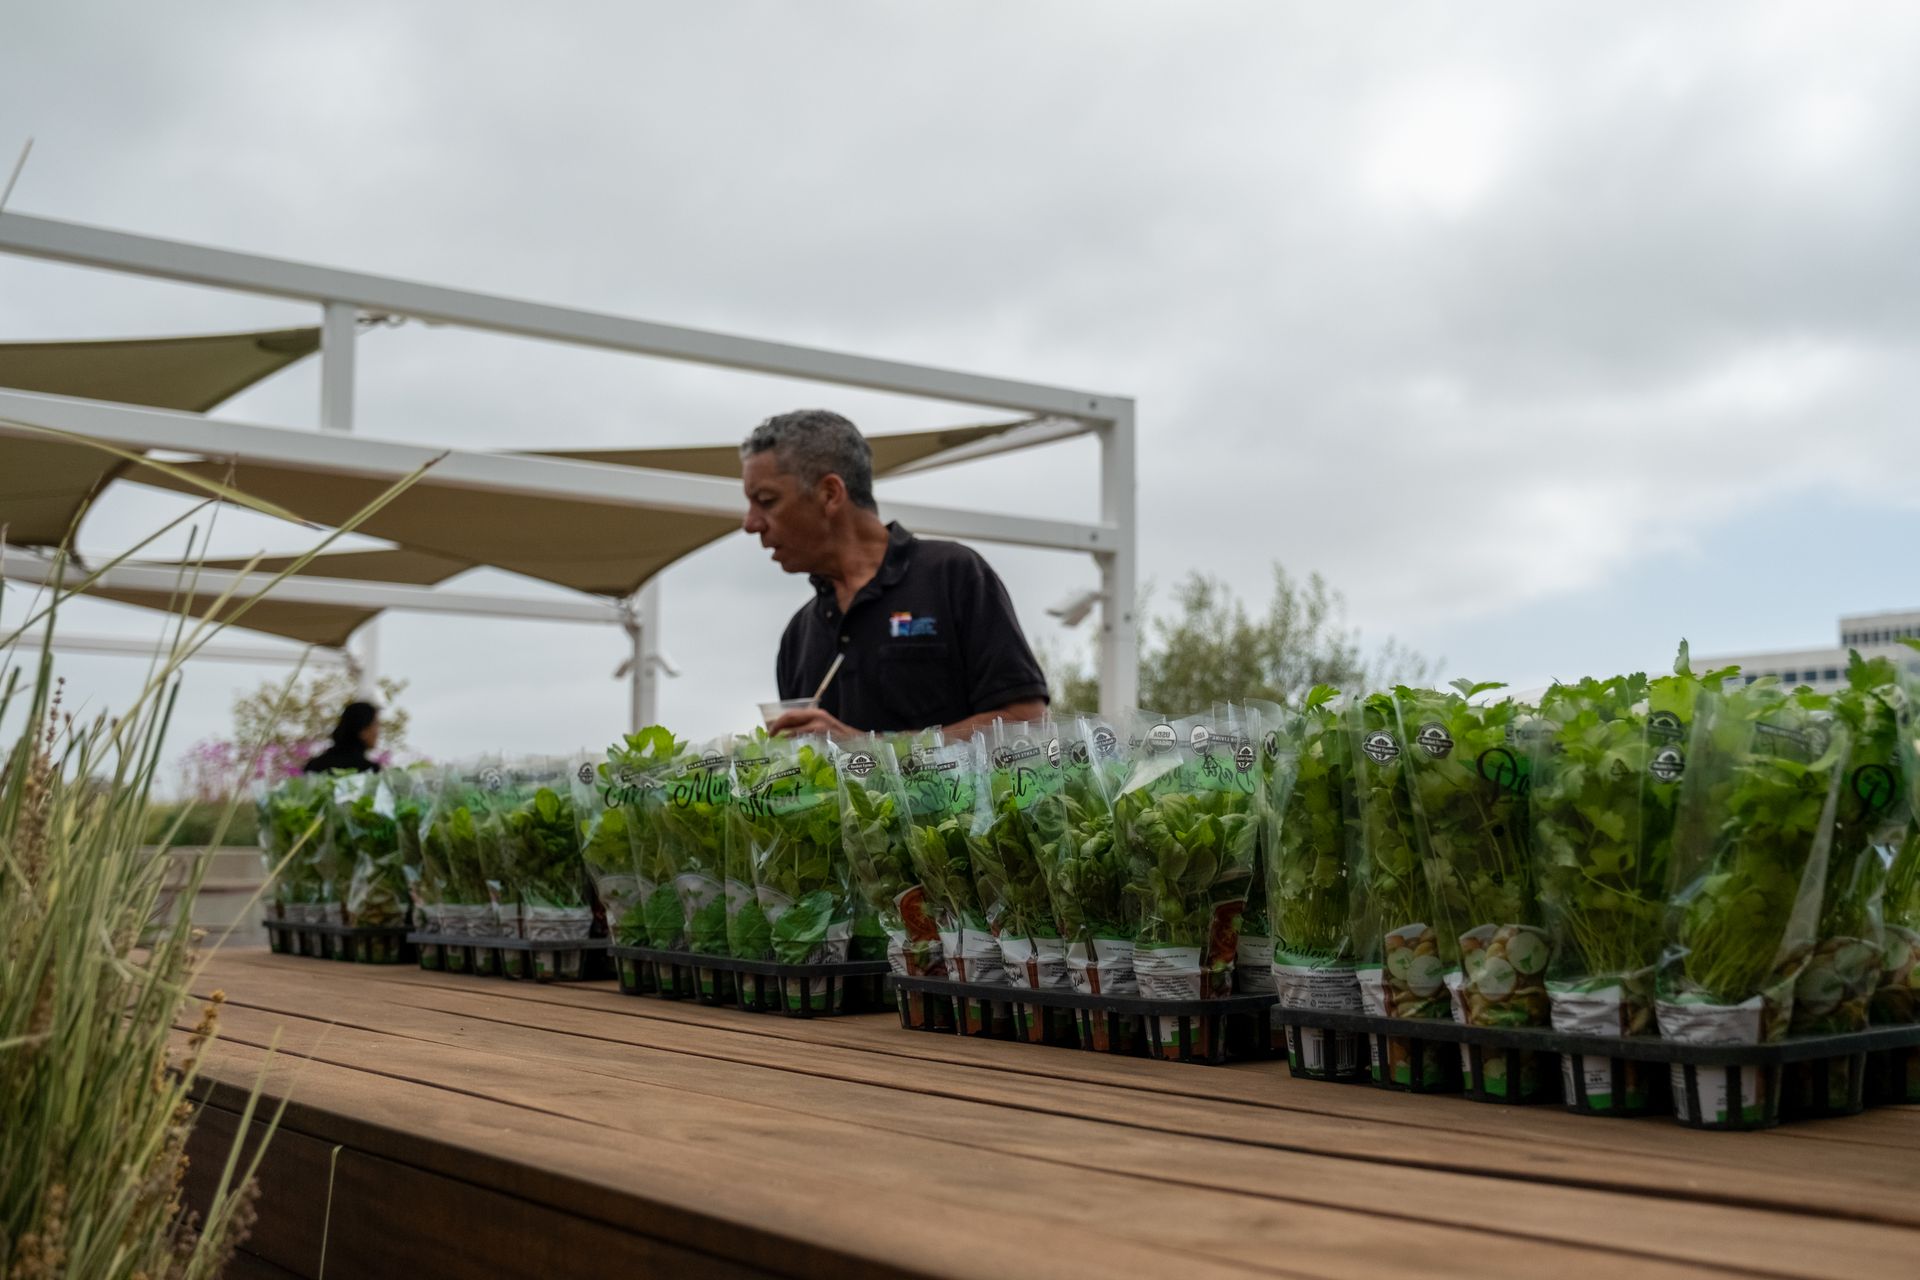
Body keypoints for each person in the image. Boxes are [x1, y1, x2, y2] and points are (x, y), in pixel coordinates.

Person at [741, 409, 1050, 737]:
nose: (750, 524)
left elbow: (1027, 724)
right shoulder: (798, 635)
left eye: (766, 500)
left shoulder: (952, 575)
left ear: (830, 494)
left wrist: (867, 752)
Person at [302, 701, 383, 774]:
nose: (377, 732)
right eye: (375, 724)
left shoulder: (314, 765)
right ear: (363, 731)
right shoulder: (369, 771)